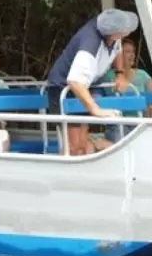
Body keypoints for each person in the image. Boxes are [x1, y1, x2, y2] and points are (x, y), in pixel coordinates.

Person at [46, 9, 137, 156]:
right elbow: (75, 80)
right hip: (64, 88)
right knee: (74, 145)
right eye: (124, 31)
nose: (127, 33)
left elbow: (117, 49)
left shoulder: (112, 34)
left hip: (84, 86)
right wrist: (95, 109)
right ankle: (66, 174)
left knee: (82, 142)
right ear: (114, 32)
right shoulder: (90, 45)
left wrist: (119, 73)